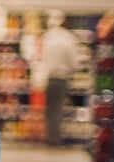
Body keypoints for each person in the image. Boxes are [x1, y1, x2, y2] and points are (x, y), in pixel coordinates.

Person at [40, 9, 79, 146]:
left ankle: (50, 137)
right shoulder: (69, 38)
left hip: (50, 78)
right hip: (62, 78)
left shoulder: (48, 37)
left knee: (50, 109)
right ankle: (55, 138)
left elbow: (43, 59)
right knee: (58, 109)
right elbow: (74, 62)